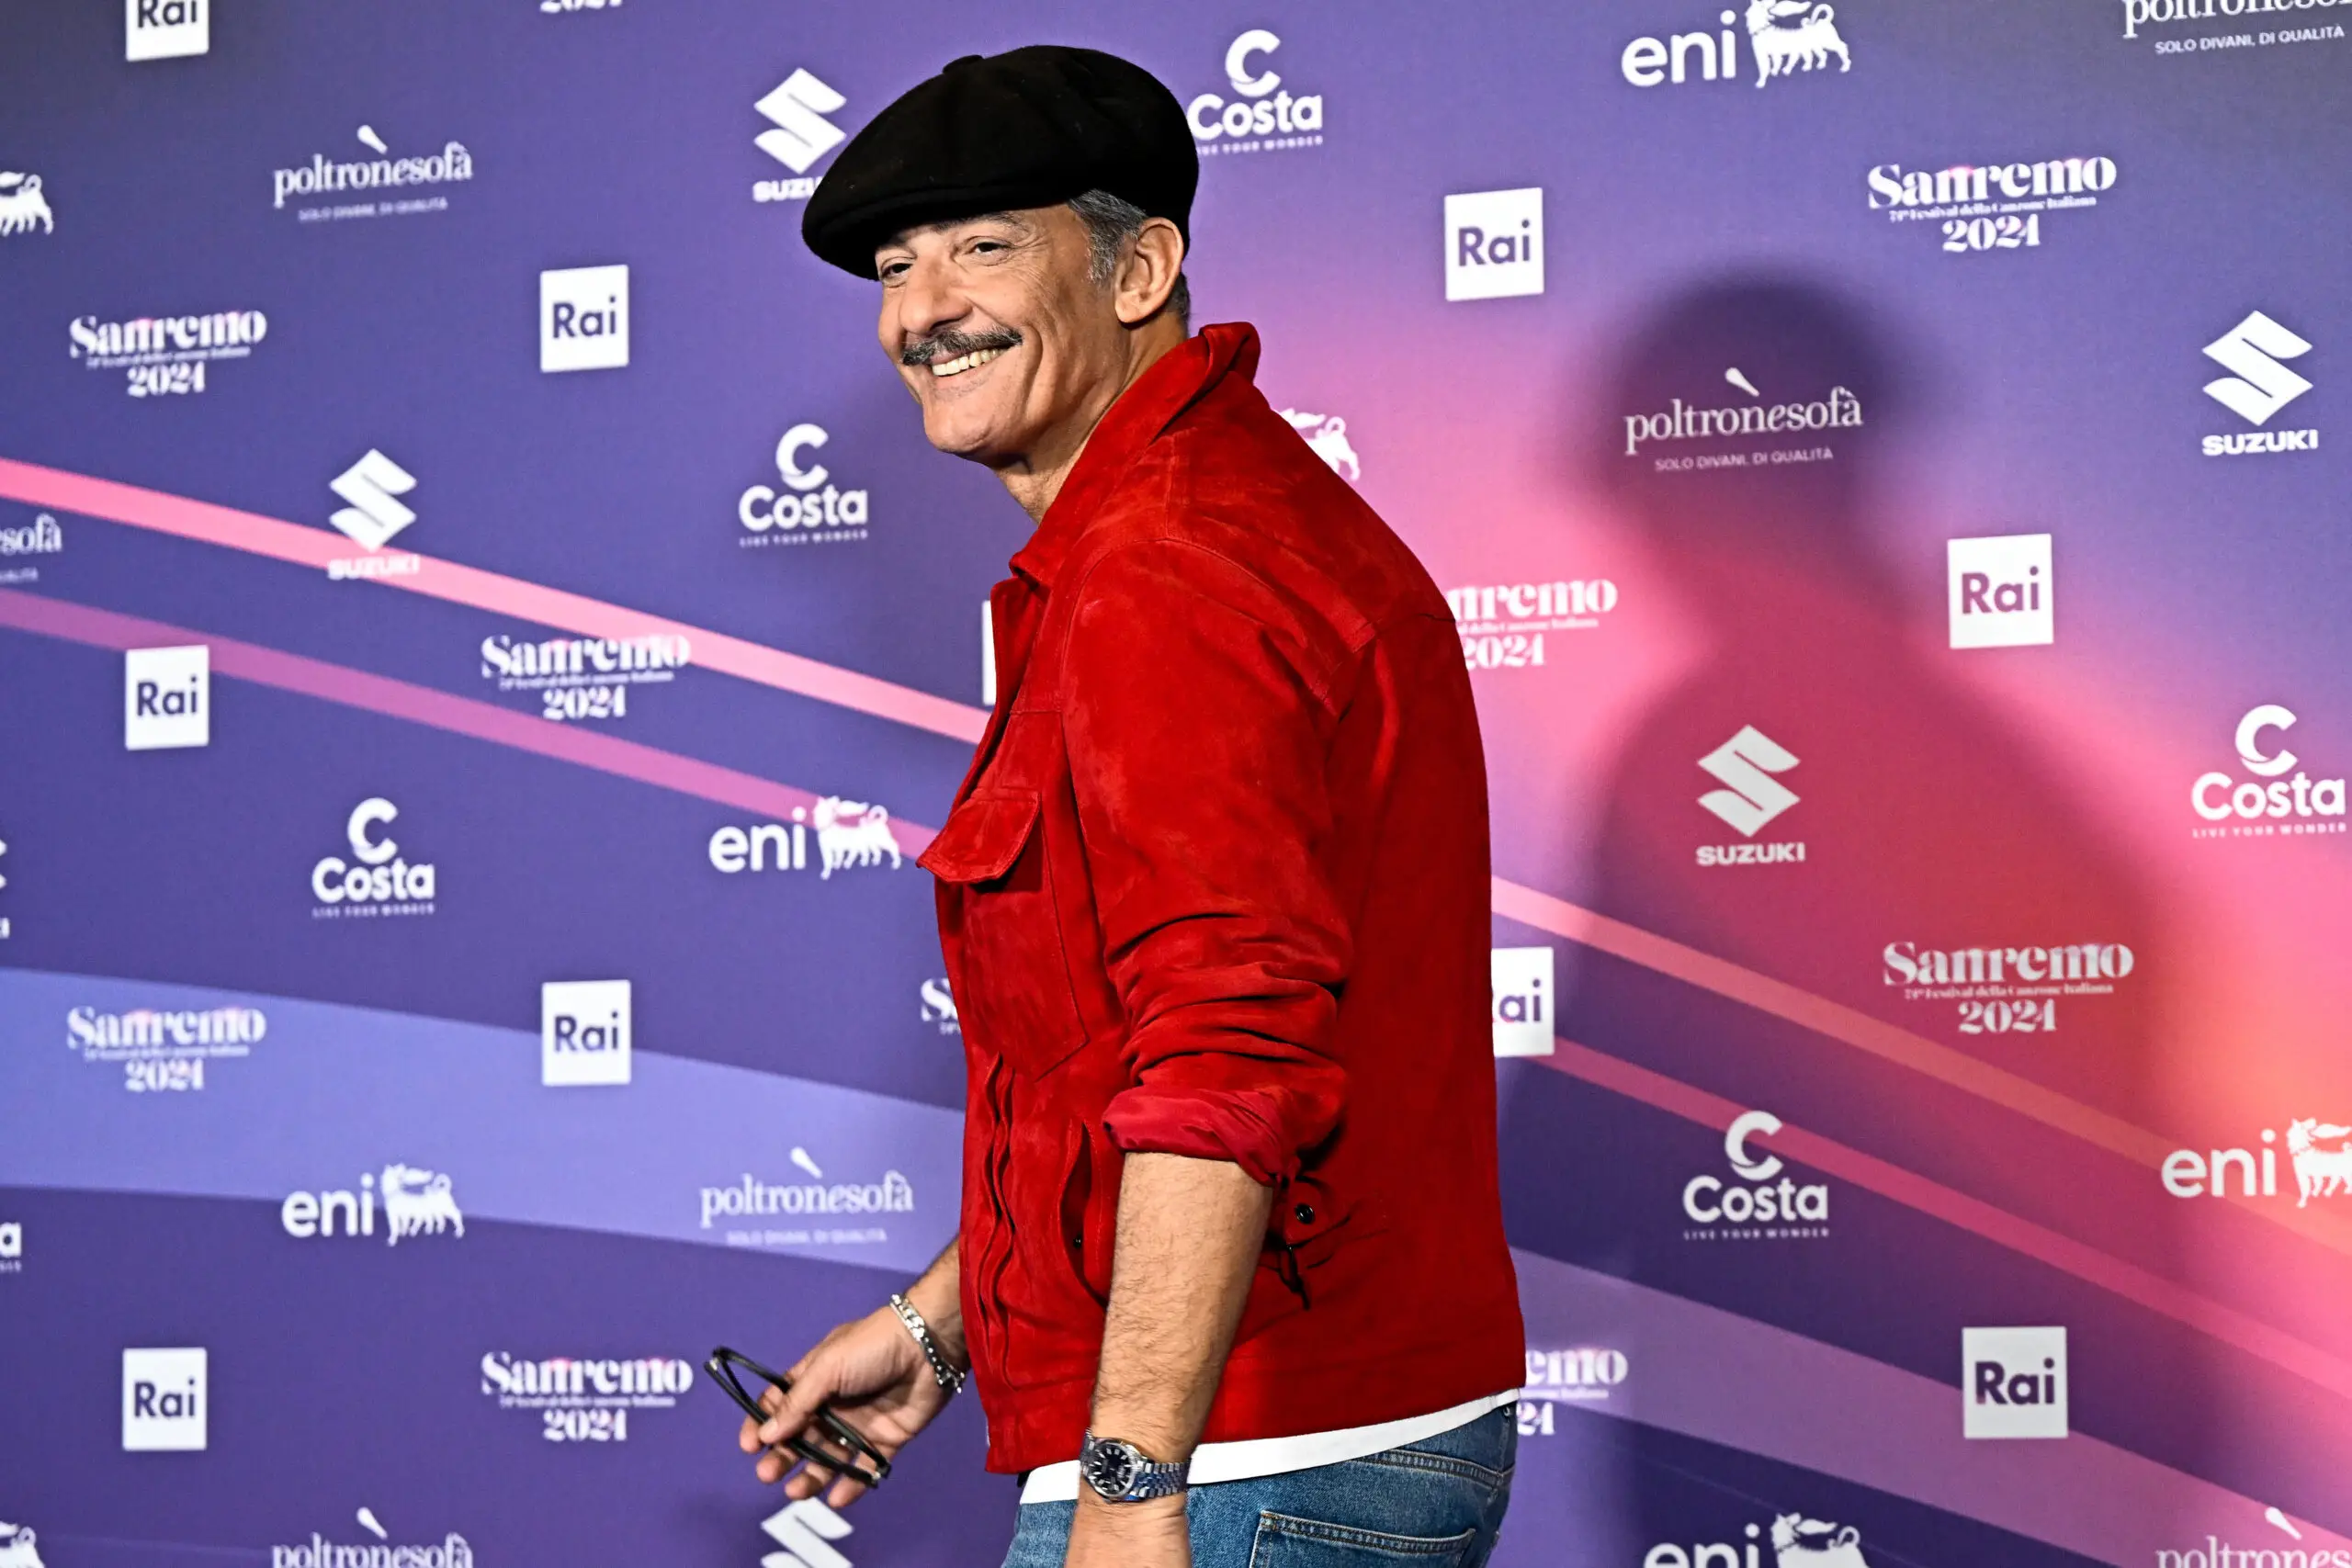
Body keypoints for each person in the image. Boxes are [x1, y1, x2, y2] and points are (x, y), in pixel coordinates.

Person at [737, 46, 1524, 1568]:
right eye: (895, 268)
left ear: (1140, 269)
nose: (920, 310)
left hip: (1246, 1454)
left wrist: (1131, 1475)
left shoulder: (1169, 563)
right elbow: (1123, 1065)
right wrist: (945, 1325)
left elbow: (1227, 1050)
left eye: (981, 248)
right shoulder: (1185, 522)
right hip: (1292, 1439)